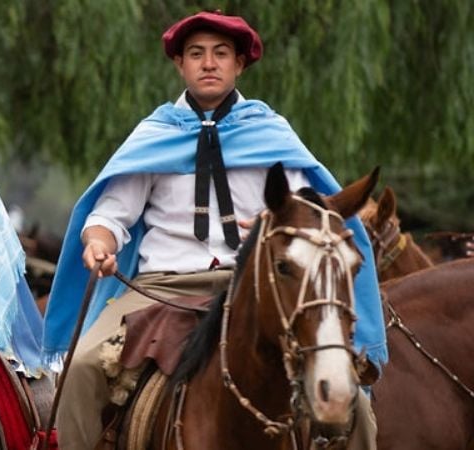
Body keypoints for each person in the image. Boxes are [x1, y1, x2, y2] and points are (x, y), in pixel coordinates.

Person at [42, 10, 387, 449]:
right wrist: (98, 243)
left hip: (252, 289)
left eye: (221, 54)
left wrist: (274, 222)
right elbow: (111, 215)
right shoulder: (155, 134)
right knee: (81, 371)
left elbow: (310, 213)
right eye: (197, 54)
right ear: (179, 65)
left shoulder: (270, 134)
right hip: (158, 290)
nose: (209, 63)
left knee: (353, 403)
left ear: (239, 64)